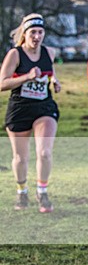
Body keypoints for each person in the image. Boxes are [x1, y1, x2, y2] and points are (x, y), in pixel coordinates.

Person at [0, 13, 62, 213]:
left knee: (44, 152)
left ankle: (42, 192)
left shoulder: (49, 52)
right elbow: (2, 83)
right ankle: (21, 191)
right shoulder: (15, 54)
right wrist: (26, 77)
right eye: (33, 32)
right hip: (20, 109)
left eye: (40, 32)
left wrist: (55, 82)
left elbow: (50, 73)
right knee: (21, 157)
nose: (37, 36)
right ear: (25, 34)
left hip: (44, 107)